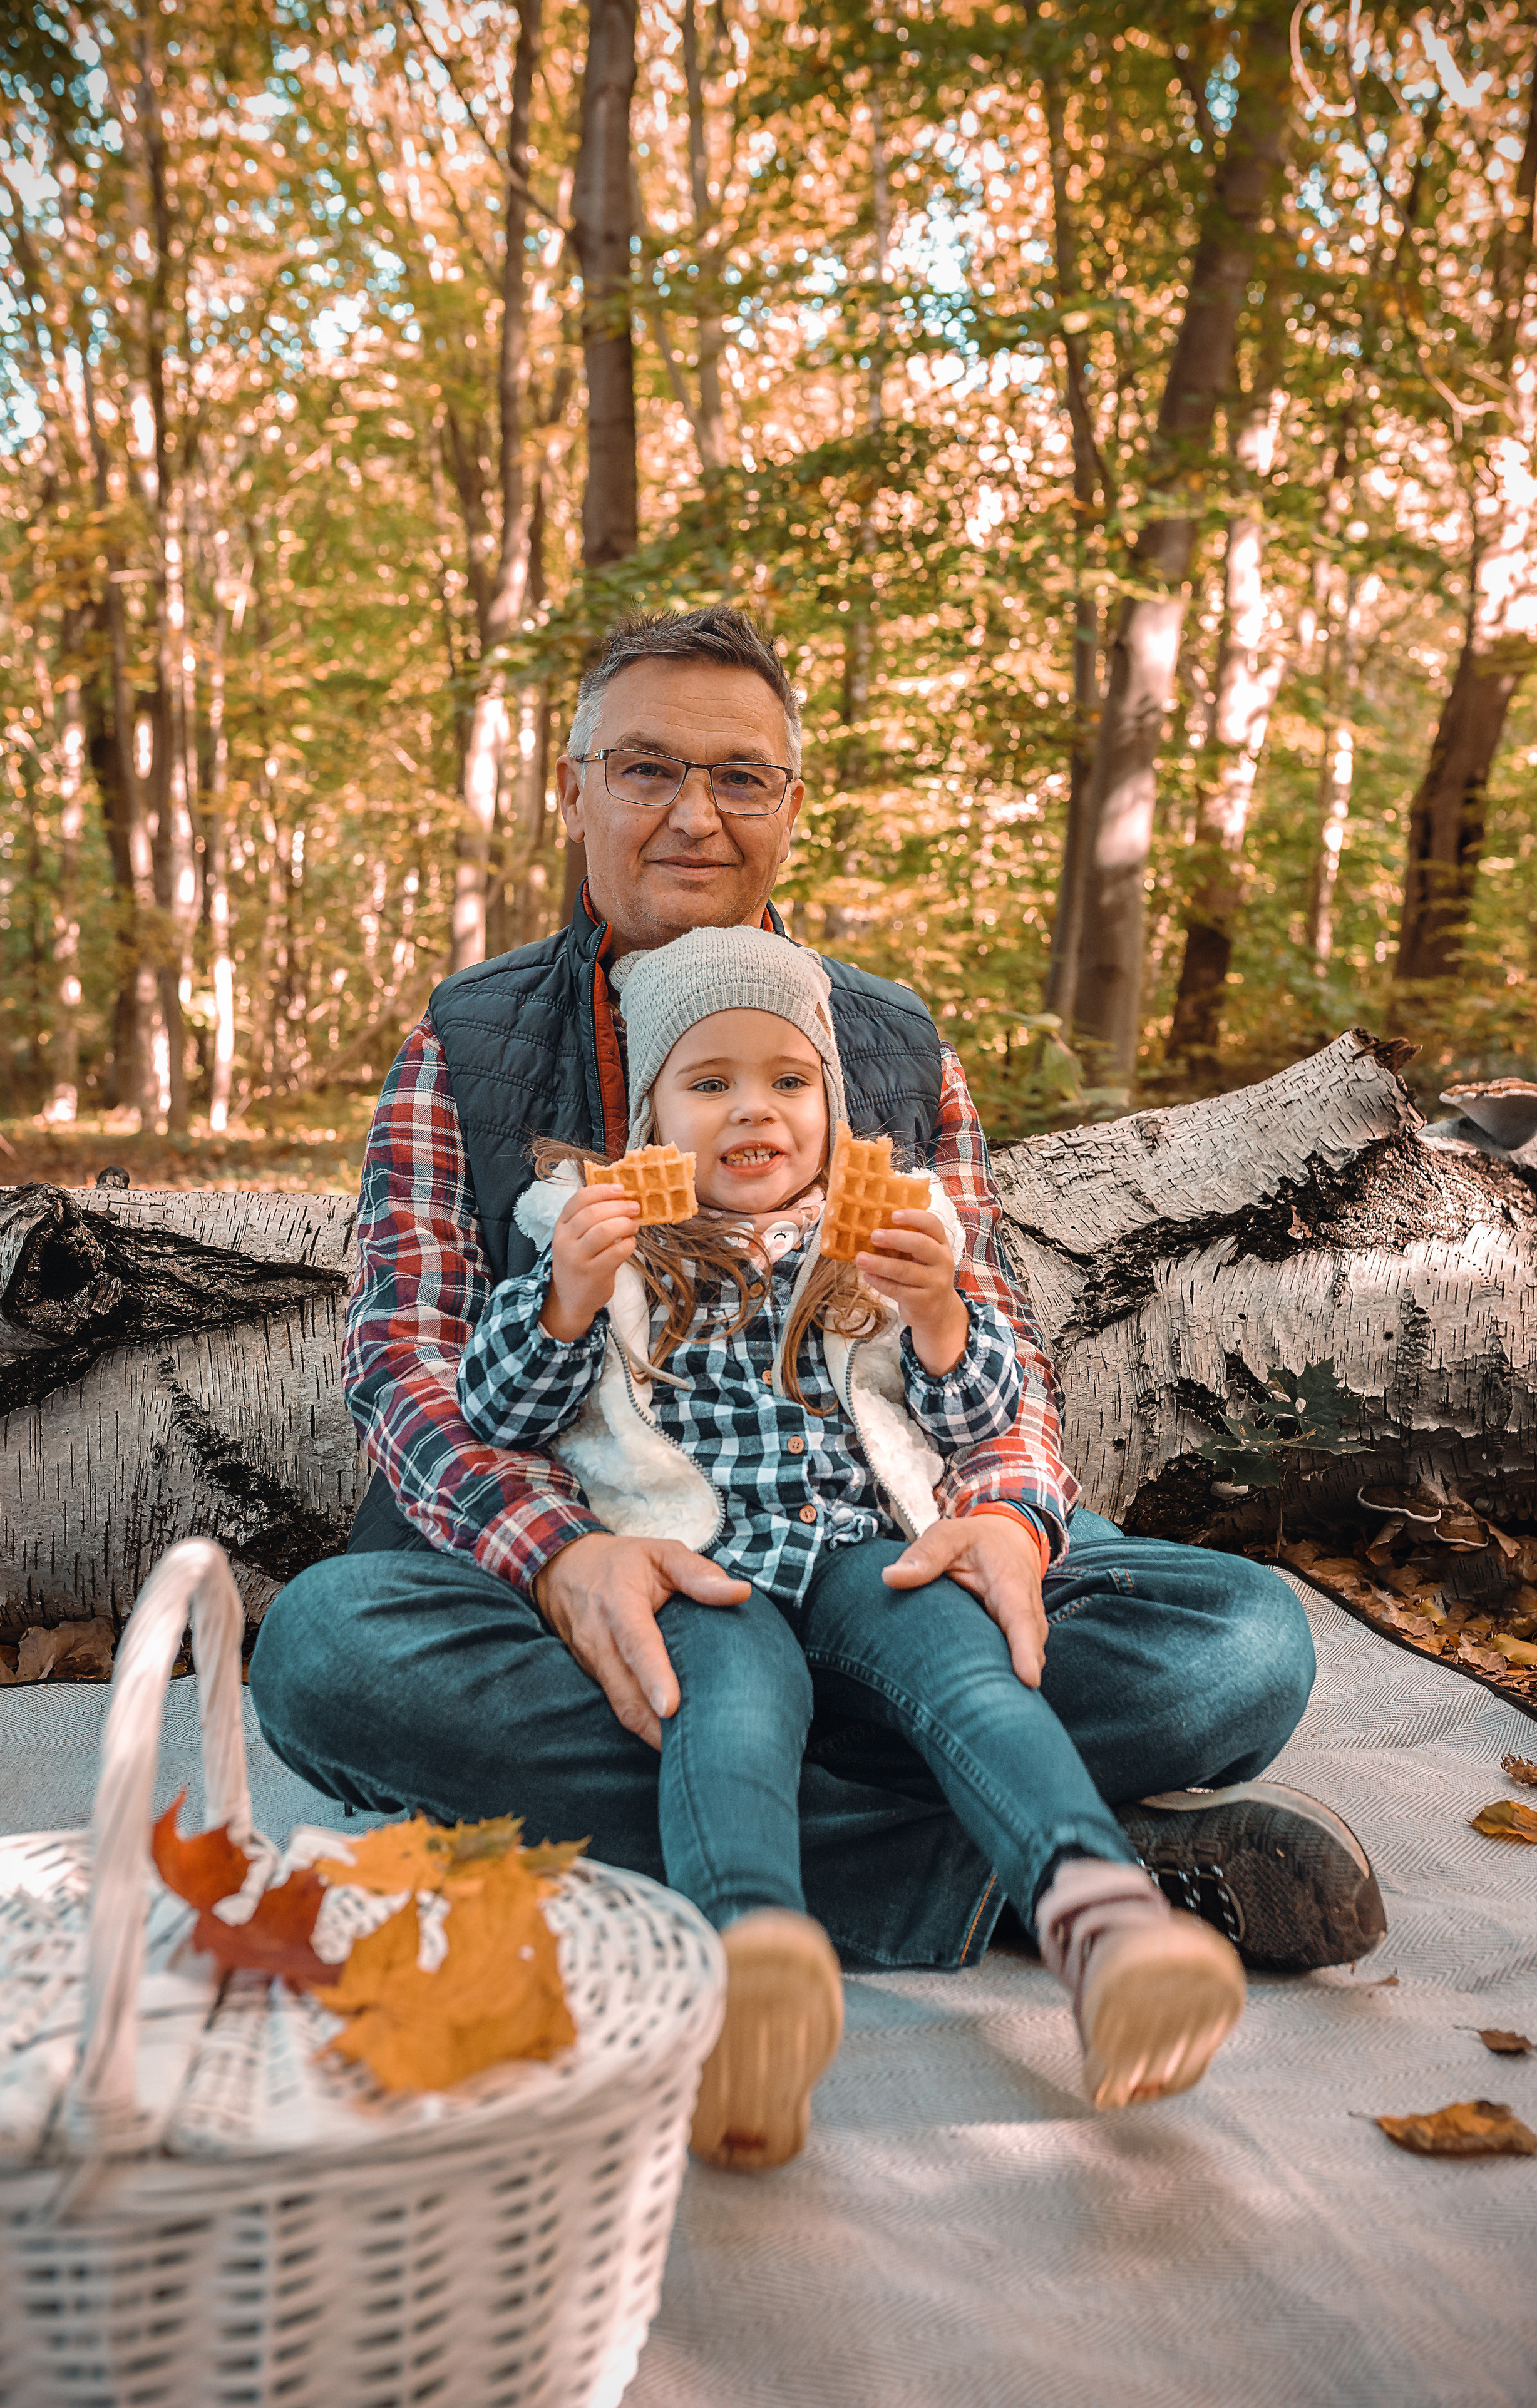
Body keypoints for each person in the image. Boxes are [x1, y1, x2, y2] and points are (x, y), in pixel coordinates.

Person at [249, 605, 1385, 2161]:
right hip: (601, 1577)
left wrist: (1008, 1519)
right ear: (570, 793)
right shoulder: (467, 1044)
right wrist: (565, 1552)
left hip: (877, 1531)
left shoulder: (890, 1045)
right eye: (646, 767)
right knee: (324, 1653)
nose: (694, 812)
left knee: (1240, 1643)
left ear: (792, 805)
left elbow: (990, 1351)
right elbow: (406, 1373)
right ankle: (1029, 1859)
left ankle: (760, 1864)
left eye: (740, 776)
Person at [455, 923, 1252, 2163]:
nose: (751, 1112)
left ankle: (1103, 1919)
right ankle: (750, 1964)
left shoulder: (883, 1227)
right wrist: (560, 1296)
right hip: (692, 1565)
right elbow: (493, 1410)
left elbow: (982, 1412)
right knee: (719, 1717)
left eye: (787, 1082)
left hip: (866, 1549)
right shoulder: (592, 1231)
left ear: (831, 1103)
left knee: (978, 1680)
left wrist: (939, 1310)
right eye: (706, 1084)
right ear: (650, 1118)